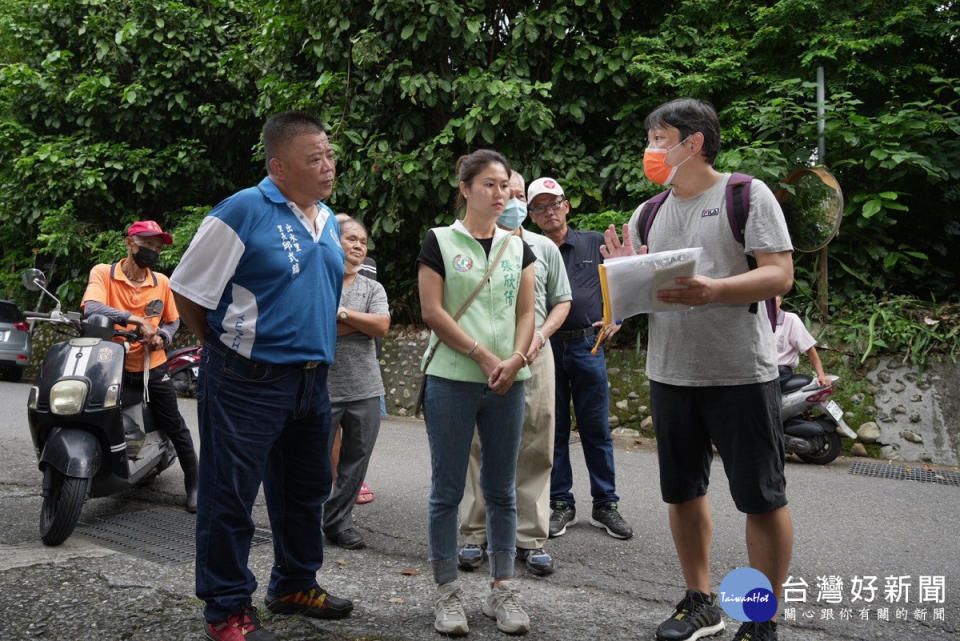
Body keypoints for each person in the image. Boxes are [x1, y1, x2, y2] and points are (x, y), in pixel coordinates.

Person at [601, 98, 794, 641]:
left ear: (695, 142)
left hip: (741, 372)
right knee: (683, 492)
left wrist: (716, 290)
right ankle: (700, 600)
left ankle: (761, 618)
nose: (651, 151)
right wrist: (621, 283)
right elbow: (648, 292)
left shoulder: (745, 195)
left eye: (660, 139)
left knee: (761, 498)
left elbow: (779, 275)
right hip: (670, 373)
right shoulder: (649, 213)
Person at [170, 111, 353, 641]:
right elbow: (188, 291)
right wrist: (224, 348)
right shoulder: (244, 210)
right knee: (230, 495)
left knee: (305, 488)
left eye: (330, 155)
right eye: (313, 158)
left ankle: (294, 584)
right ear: (278, 166)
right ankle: (226, 608)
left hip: (311, 380)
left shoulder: (326, 217)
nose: (327, 167)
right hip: (247, 378)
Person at [418, 149, 537, 636]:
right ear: (465, 189)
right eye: (488, 184)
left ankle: (502, 589)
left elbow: (527, 311)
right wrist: (484, 356)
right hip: (452, 377)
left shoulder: (517, 246)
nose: (499, 193)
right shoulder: (440, 241)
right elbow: (432, 311)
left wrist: (516, 358)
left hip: (510, 381)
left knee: (502, 490)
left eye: (504, 185)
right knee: (448, 490)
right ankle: (447, 591)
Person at [458, 170, 572, 577]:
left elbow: (562, 301)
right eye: (506, 190)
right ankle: (475, 533)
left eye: (519, 192)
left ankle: (531, 537)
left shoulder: (543, 247)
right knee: (477, 445)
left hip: (534, 358)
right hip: (482, 358)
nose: (512, 199)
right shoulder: (466, 244)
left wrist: (541, 334)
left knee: (537, 444)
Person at [526, 177, 634, 541]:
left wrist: (617, 317)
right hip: (546, 347)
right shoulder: (530, 248)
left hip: (588, 344)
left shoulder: (594, 242)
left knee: (596, 429)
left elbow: (622, 284)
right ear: (531, 215)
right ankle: (560, 504)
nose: (549, 211)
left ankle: (606, 504)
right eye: (540, 207)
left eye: (554, 203)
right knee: (552, 428)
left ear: (567, 205)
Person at [81, 220, 198, 513]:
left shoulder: (162, 282)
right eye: (147, 245)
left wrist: (162, 336)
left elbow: (172, 320)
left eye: (157, 248)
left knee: (175, 425)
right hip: (109, 364)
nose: (153, 252)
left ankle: (195, 484)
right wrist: (137, 320)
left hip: (151, 367)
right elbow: (92, 308)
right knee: (92, 414)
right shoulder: (103, 273)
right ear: (129, 243)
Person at [323, 216, 390, 550]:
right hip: (323, 386)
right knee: (314, 460)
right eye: (351, 239)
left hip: (365, 387)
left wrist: (343, 315)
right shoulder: (320, 281)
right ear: (335, 242)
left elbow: (381, 326)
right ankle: (306, 519)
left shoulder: (373, 288)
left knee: (356, 460)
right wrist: (359, 325)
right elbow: (315, 327)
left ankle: (337, 522)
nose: (358, 246)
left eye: (363, 242)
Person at [775, 296, 831, 389]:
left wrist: (821, 374)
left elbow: (808, 347)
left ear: (780, 300)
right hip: (762, 371)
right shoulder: (759, 321)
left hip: (780, 371)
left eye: (774, 297)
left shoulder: (791, 319)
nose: (770, 301)